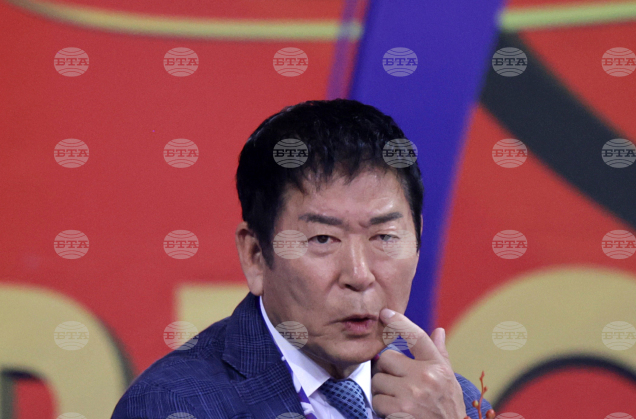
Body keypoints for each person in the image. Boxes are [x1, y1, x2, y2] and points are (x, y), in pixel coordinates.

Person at [111, 98, 493, 419]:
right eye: (323, 238)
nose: (359, 275)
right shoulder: (173, 405)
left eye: (384, 237)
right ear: (255, 255)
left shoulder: (452, 403)